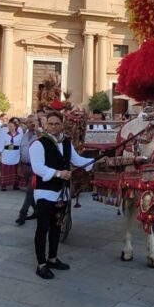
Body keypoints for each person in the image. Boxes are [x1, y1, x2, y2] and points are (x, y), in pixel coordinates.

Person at [29, 111, 98, 279]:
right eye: (50, 123)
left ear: (62, 125)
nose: (53, 126)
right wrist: (58, 174)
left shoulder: (66, 143)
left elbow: (77, 160)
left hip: (62, 193)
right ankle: (41, 264)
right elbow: (37, 167)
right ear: (46, 125)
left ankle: (52, 258)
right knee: (43, 227)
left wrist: (95, 162)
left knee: (56, 226)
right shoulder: (39, 144)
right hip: (45, 191)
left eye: (56, 123)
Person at [16, 115, 39, 225]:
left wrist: (37, 128)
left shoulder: (40, 135)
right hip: (25, 166)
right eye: (28, 122)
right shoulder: (24, 136)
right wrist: (19, 166)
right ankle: (37, 211)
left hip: (35, 168)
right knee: (31, 193)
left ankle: (22, 215)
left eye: (32, 122)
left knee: (29, 191)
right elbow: (21, 150)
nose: (29, 124)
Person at [0, 119, 22, 191]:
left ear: (15, 127)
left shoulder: (20, 135)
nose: (10, 128)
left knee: (15, 170)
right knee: (4, 170)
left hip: (15, 154)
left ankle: (15, 185)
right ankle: (3, 185)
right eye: (9, 126)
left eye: (11, 126)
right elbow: (1, 144)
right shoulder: (5, 135)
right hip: (6, 154)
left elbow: (21, 145)